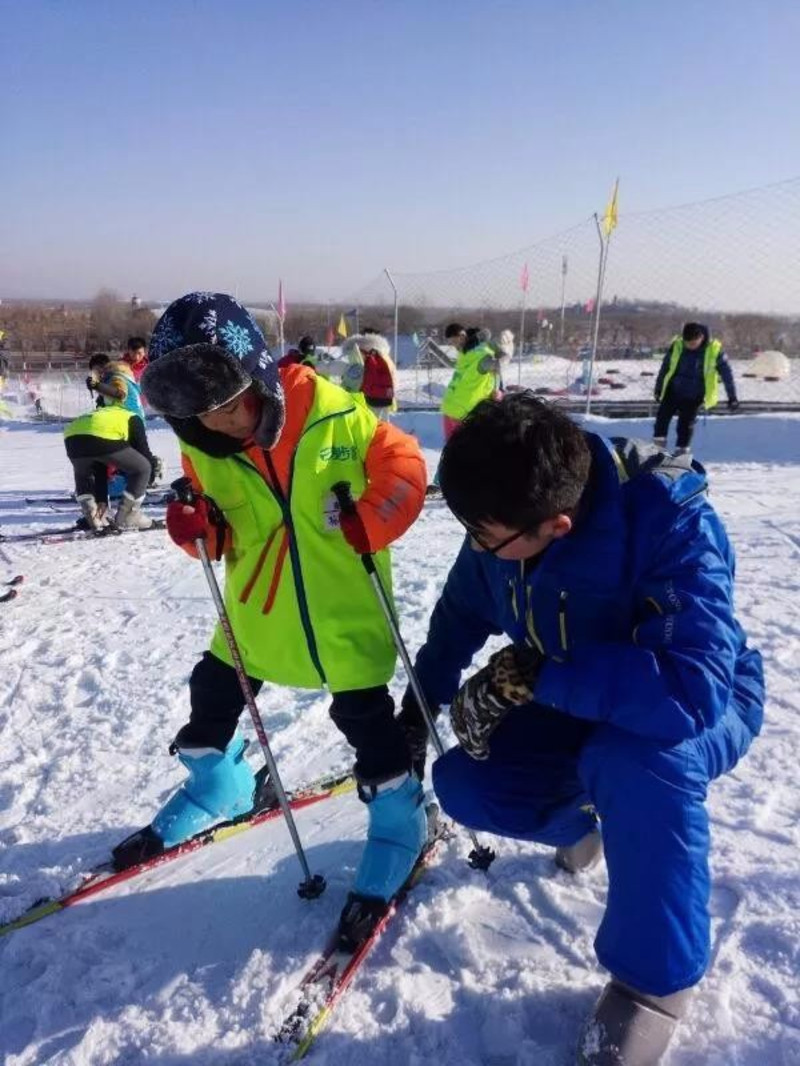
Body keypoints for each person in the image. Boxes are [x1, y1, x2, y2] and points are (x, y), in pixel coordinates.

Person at [398, 394, 763, 1065]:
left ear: (557, 526)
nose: (475, 543)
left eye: (485, 535)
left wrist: (539, 676)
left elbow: (693, 690)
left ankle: (653, 984)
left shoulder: (670, 523)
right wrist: (420, 704)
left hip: (700, 701)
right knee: (467, 782)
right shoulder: (504, 516)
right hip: (574, 691)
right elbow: (459, 612)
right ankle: (592, 822)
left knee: (633, 763)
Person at [113, 293, 428, 934]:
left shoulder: (338, 417)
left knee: (365, 721)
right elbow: (218, 526)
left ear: (259, 376)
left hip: (341, 614)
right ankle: (217, 784)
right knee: (210, 695)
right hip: (255, 615)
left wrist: (381, 511)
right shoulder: (203, 448)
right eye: (206, 414)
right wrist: (194, 528)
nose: (224, 423)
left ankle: (400, 818)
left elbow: (406, 465)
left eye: (234, 406)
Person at [63, 396, 154, 531]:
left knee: (84, 474)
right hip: (99, 436)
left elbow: (100, 467)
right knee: (143, 468)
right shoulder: (132, 416)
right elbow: (143, 452)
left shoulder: (103, 414)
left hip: (72, 437)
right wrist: (148, 479)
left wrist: (102, 501)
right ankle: (127, 516)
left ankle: (93, 515)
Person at [653, 322, 739, 454]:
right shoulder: (677, 346)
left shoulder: (714, 350)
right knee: (661, 419)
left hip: (695, 395)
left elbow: (727, 375)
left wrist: (732, 397)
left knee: (685, 425)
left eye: (693, 343)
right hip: (674, 391)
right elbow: (665, 368)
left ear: (701, 338)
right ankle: (658, 452)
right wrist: (658, 388)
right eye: (688, 343)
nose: (690, 346)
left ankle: (681, 453)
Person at [440, 326, 505, 440]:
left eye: (454, 341)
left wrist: (499, 392)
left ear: (463, 336)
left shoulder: (480, 356)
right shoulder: (465, 355)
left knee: (464, 454)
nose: (454, 346)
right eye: (451, 342)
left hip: (464, 416)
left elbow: (499, 368)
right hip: (455, 412)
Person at [340, 332, 397, 414]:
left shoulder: (359, 359)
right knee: (382, 425)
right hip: (385, 402)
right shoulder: (387, 359)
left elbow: (352, 382)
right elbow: (393, 382)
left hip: (365, 404)